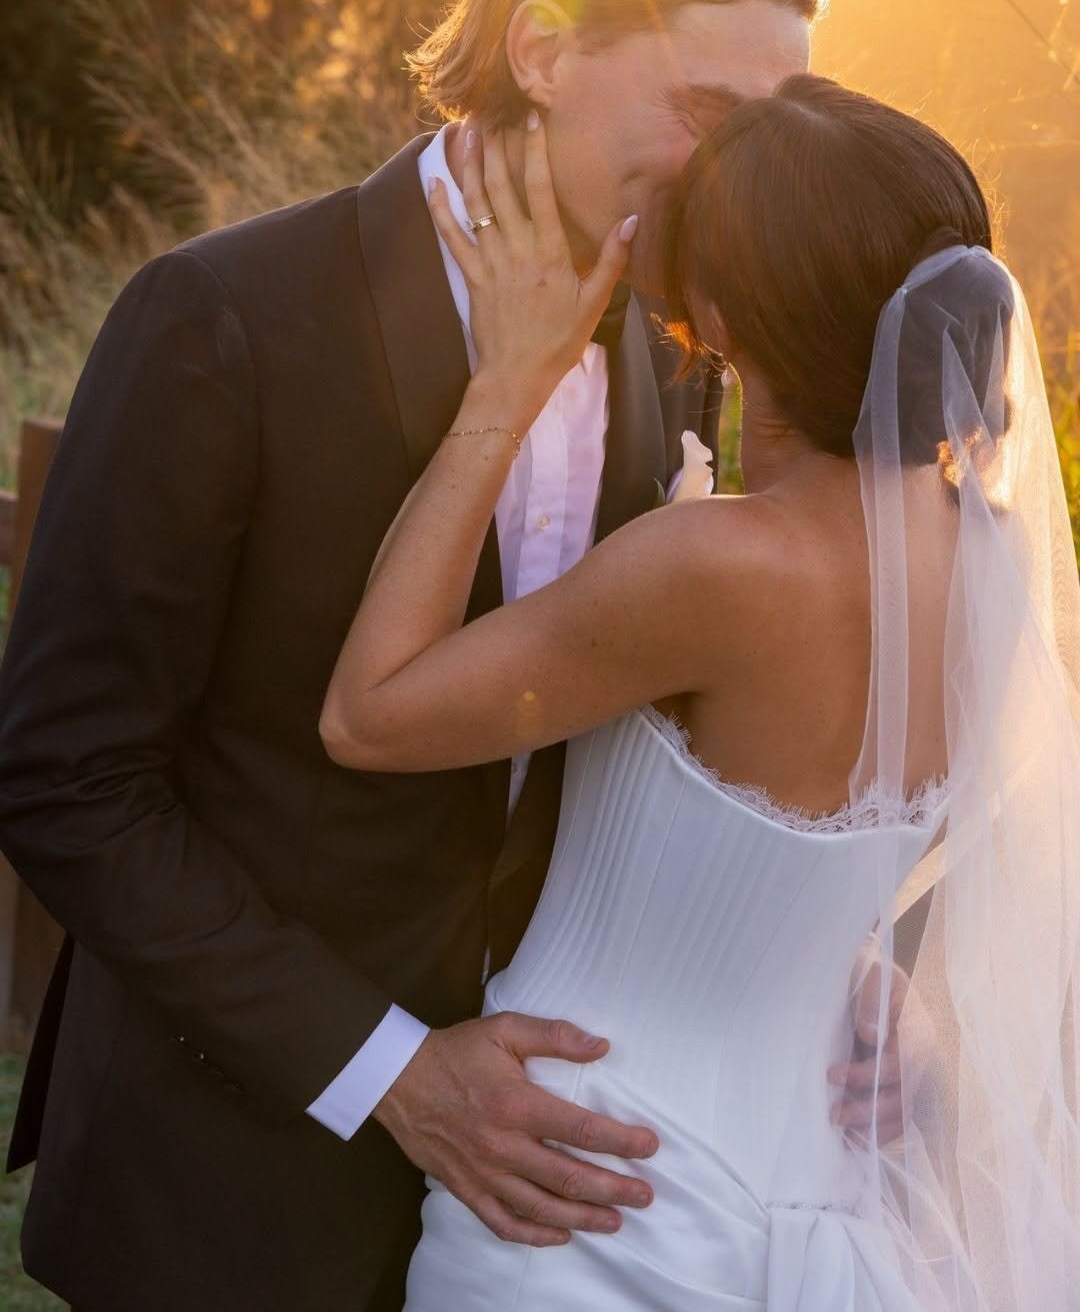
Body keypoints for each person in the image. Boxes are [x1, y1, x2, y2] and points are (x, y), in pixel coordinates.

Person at [0, 0, 906, 1309]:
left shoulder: (684, 343)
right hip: (232, 1182)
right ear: (542, 56)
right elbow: (67, 780)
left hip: (560, 1202)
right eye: (708, 113)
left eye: (776, 125)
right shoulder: (221, 317)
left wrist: (823, 957)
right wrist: (396, 1070)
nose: (741, 175)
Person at [319, 74, 1080, 1309]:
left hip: (590, 1200)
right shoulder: (999, 570)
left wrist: (502, 395)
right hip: (834, 1214)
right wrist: (885, 993)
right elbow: (829, 861)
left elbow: (370, 714)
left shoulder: (724, 562)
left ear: (720, 314)